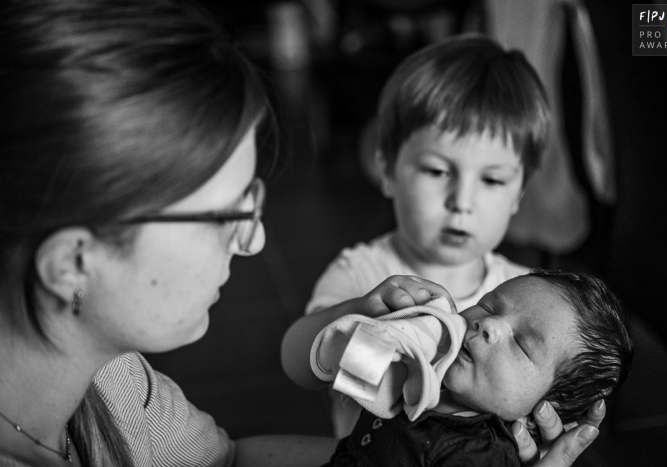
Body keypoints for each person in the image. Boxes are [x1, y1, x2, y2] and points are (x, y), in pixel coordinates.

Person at [0, 1, 603, 466]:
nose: (256, 239)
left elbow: (224, 459)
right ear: (72, 263)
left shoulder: (111, 379)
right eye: (224, 215)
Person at [283, 33, 555, 438]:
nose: (462, 201)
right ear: (388, 170)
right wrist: (365, 316)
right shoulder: (363, 275)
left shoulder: (527, 297)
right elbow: (300, 364)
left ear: (519, 194)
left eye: (493, 180)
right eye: (437, 171)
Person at [305, 271, 634, 467]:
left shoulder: (480, 454)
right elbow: (341, 363)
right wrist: (393, 332)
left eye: (521, 344)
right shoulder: (423, 367)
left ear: (547, 409)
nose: (488, 324)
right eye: (490, 305)